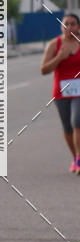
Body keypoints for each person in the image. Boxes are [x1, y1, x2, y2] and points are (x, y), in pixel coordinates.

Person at [40, 12, 80, 173]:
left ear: (78, 27)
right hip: (61, 92)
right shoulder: (53, 45)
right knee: (67, 127)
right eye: (66, 24)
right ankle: (75, 157)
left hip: (79, 92)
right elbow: (44, 70)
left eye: (72, 24)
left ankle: (79, 158)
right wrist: (59, 58)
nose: (69, 27)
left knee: (77, 121)